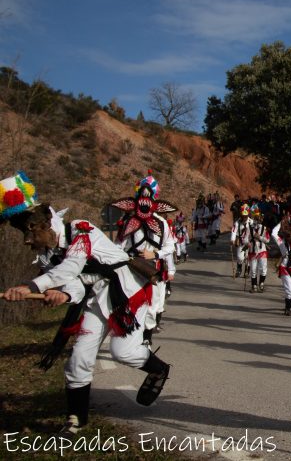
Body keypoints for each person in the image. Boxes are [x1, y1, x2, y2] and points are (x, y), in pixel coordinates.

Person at [0, 171, 171, 435]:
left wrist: (32, 286)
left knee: (122, 352)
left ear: (45, 225)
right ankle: (76, 420)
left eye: (29, 232)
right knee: (79, 356)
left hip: (126, 291)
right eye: (23, 233)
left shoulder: (81, 229)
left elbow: (73, 266)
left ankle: (158, 370)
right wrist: (63, 295)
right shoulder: (47, 256)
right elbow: (74, 282)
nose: (26, 240)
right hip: (96, 299)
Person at [110, 172, 177, 347]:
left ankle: (146, 336)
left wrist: (156, 256)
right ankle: (129, 333)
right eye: (142, 194)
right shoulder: (128, 221)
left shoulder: (162, 223)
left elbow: (170, 247)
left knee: (153, 304)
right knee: (131, 301)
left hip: (153, 269)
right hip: (131, 269)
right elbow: (119, 245)